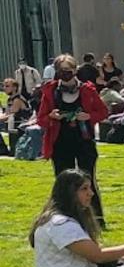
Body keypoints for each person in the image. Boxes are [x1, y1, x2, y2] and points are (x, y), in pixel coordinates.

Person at [38, 55, 107, 224]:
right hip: (60, 142)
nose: (64, 75)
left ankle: (95, 218)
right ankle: (63, 217)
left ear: (75, 70)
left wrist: (89, 116)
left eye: (68, 71)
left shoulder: (87, 90)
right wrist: (51, 116)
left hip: (84, 140)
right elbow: (41, 119)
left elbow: (103, 112)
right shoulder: (50, 91)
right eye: (61, 72)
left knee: (87, 179)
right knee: (63, 180)